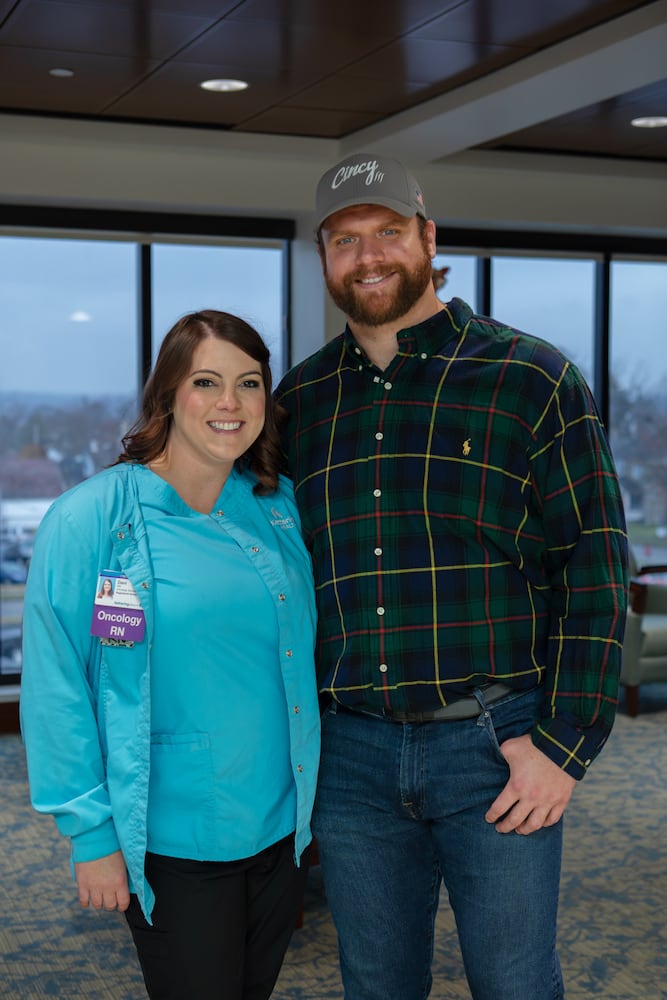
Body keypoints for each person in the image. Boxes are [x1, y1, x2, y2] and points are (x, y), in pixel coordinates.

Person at [275, 153, 628, 1000]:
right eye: (344, 240)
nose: (367, 257)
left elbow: (594, 566)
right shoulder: (301, 402)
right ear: (321, 258)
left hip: (495, 746)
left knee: (513, 983)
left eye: (387, 233)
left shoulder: (529, 379)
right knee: (376, 984)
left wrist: (563, 747)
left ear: (429, 239)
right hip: (349, 753)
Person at [20, 309, 321, 1000]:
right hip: (172, 837)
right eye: (206, 382)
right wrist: (91, 835)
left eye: (249, 384)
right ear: (167, 396)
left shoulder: (277, 510)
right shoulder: (94, 519)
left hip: (280, 827)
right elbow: (57, 683)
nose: (229, 403)